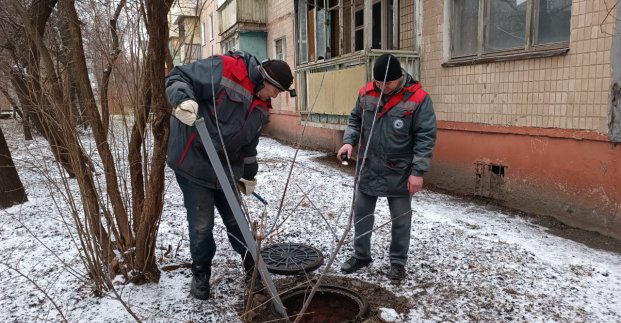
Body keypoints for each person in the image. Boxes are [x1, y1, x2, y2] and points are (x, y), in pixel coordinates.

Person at [165, 51, 294, 300]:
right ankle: (201, 273)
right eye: (275, 90)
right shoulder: (226, 69)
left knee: (237, 220)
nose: (275, 97)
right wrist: (183, 100)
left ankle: (251, 268)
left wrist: (248, 176)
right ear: (264, 78)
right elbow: (179, 76)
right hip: (194, 161)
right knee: (202, 223)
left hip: (225, 169)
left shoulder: (261, 107)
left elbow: (249, 146)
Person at [337, 53, 436, 280]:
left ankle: (398, 261)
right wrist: (348, 141)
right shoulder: (366, 93)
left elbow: (425, 137)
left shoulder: (419, 98)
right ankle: (361, 255)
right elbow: (355, 120)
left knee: (400, 219)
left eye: (387, 83)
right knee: (362, 213)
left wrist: (418, 172)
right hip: (369, 165)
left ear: (399, 77)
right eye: (378, 82)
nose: (382, 87)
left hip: (399, 170)